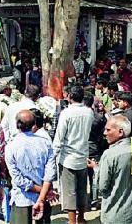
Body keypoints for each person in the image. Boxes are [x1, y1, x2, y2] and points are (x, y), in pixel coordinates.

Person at [91, 115, 132, 224]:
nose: (104, 133)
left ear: (120, 132)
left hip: (115, 213)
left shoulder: (110, 155)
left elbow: (102, 187)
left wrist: (96, 169)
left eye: (108, 130)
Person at [5, 110, 56, 224]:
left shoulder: (11, 146)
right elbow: (50, 173)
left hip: (22, 200)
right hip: (43, 199)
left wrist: (42, 191)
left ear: (17, 125)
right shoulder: (45, 143)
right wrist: (44, 193)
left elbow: (18, 180)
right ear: (34, 124)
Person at [53, 86, 94, 224]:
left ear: (69, 96)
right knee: (82, 190)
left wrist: (53, 155)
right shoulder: (89, 112)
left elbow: (59, 137)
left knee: (69, 192)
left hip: (68, 157)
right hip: (82, 155)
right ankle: (81, 219)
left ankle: (72, 221)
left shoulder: (66, 113)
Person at [83, 93, 107, 210]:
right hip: (95, 149)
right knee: (94, 177)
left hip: (81, 149)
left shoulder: (80, 117)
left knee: (82, 177)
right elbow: (104, 135)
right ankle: (93, 200)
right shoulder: (99, 118)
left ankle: (82, 201)